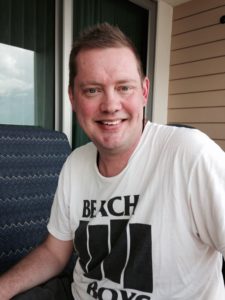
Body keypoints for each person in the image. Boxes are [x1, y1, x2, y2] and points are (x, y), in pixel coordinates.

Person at [0, 22, 225, 300]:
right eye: (92, 90)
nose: (110, 105)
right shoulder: (75, 164)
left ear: (144, 92)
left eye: (124, 87)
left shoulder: (191, 155)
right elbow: (54, 252)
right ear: (72, 97)